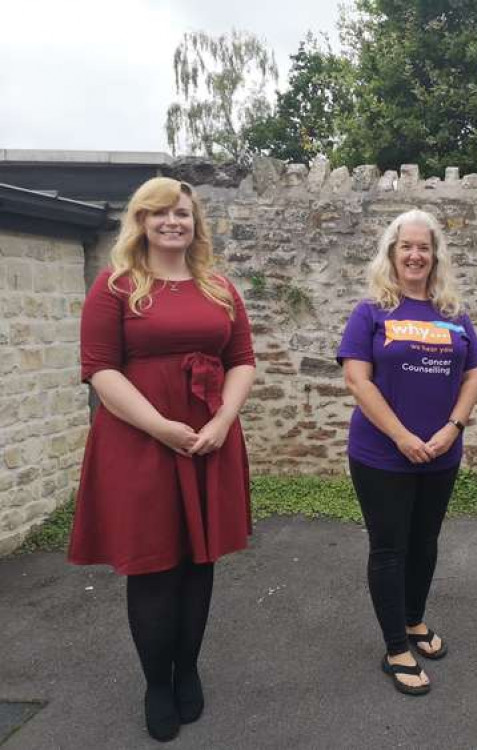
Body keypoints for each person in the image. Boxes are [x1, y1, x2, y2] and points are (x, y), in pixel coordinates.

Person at [68, 177, 256, 742]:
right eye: (160, 214)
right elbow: (100, 369)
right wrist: (161, 427)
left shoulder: (220, 288)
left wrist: (222, 420)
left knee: (199, 562)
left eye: (182, 213)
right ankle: (156, 682)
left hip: (210, 439)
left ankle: (188, 668)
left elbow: (242, 359)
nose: (173, 222)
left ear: (195, 223)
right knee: (153, 563)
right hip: (140, 441)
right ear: (141, 222)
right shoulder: (117, 286)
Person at [337, 209, 477, 696]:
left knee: (425, 543)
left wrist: (453, 427)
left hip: (442, 452)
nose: (416, 254)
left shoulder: (452, 314)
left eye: (424, 247)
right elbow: (357, 379)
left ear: (435, 255)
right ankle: (396, 645)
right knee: (390, 548)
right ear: (392, 253)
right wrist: (401, 435)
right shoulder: (371, 312)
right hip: (382, 455)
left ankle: (415, 619)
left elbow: (473, 374)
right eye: (407, 246)